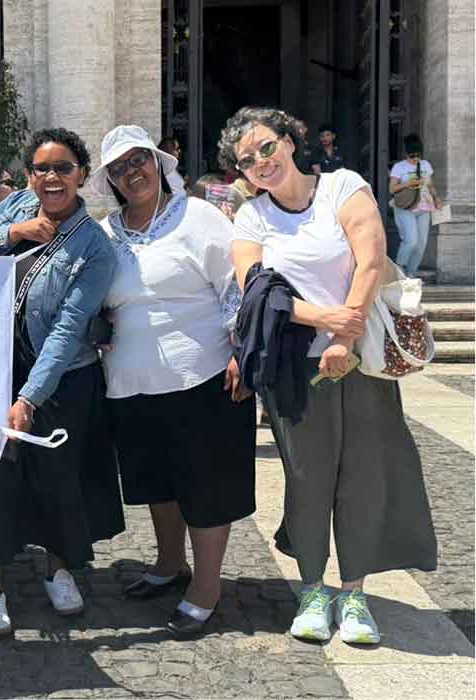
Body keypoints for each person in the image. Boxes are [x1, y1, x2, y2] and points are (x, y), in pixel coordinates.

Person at [221, 106, 437, 645]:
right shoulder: (251, 218)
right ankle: (314, 588)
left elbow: (371, 259)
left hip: (359, 357)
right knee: (307, 478)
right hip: (295, 367)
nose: (260, 163)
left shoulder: (343, 187)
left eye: (266, 148)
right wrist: (323, 320)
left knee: (364, 474)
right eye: (247, 160)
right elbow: (257, 292)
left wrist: (345, 334)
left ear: (290, 142)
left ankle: (355, 592)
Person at [0, 128, 125, 638]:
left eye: (63, 168)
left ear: (82, 175)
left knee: (59, 477)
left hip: (62, 376)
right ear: (30, 174)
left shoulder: (95, 247)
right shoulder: (14, 209)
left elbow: (70, 329)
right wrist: (12, 234)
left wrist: (31, 395)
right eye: (42, 169)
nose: (52, 178)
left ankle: (59, 568)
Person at [90, 125, 254, 639]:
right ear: (111, 180)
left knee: (203, 486)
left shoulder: (200, 217)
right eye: (119, 168)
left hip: (202, 375)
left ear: (159, 163)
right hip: (131, 382)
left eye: (139, 160)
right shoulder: (107, 232)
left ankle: (206, 587)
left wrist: (243, 352)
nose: (131, 173)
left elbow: (236, 287)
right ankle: (167, 565)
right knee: (157, 483)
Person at [389, 133, 445, 276]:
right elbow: (392, 189)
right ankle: (399, 269)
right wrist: (409, 183)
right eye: (412, 156)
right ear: (406, 154)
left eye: (418, 156)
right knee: (411, 241)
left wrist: (437, 198)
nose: (415, 159)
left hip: (424, 207)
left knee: (421, 244)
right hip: (405, 207)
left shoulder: (425, 165)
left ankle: (411, 273)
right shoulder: (399, 167)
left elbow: (431, 185)